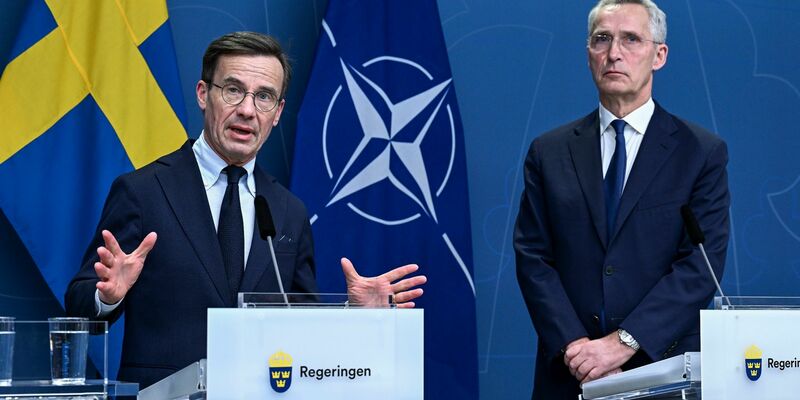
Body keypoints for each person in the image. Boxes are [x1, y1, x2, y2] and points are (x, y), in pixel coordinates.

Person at [65, 32, 426, 388]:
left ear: (278, 113)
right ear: (204, 94)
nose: (247, 110)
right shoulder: (143, 191)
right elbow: (79, 304)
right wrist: (107, 296)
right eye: (233, 90)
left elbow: (303, 328)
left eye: (264, 96)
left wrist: (354, 316)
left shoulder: (289, 211)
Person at [513, 0, 730, 398]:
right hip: (569, 374)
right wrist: (576, 349)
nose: (614, 53)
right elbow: (533, 259)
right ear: (589, 54)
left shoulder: (699, 153)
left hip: (662, 375)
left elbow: (699, 266)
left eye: (631, 39)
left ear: (659, 55)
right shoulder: (549, 152)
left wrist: (622, 343)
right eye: (602, 39)